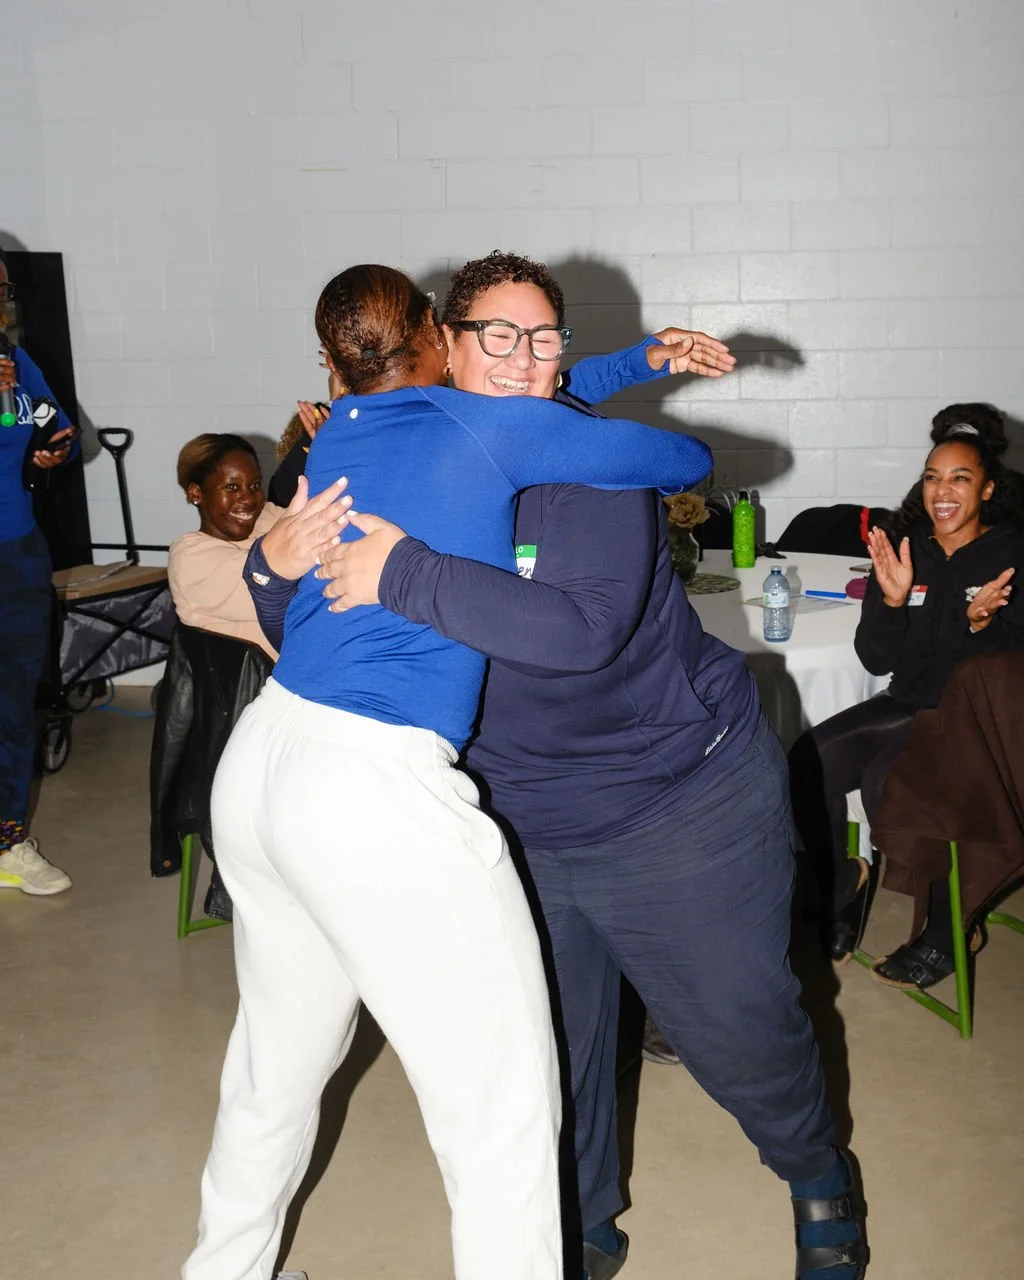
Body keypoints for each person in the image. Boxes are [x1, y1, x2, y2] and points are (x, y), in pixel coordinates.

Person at [295, 252, 866, 1280]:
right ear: (442, 346)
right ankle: (586, 1210)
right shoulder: (407, 444)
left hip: (673, 795)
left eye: (543, 338)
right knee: (551, 1044)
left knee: (738, 1025)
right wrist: (277, 557)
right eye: (496, 337)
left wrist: (401, 570)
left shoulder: (591, 467)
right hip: (514, 813)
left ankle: (817, 1169)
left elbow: (582, 631)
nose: (522, 361)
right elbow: (292, 599)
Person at [182, 263, 713, 1280]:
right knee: (503, 1108)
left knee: (270, 1077)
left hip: (263, 763)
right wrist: (612, 421)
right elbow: (676, 454)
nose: (517, 365)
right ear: (436, 333)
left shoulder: (337, 429)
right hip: (374, 790)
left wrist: (622, 365)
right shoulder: (487, 427)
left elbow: (512, 409)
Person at [789, 420, 1024, 987]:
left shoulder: (1011, 553)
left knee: (889, 786)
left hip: (978, 719)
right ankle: (842, 882)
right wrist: (892, 602)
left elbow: (1010, 671)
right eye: (932, 478)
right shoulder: (906, 551)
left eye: (960, 478)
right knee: (804, 761)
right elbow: (874, 659)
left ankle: (949, 933)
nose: (943, 492)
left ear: (987, 488)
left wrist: (980, 625)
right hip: (909, 701)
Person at [0, 249, 77, 897]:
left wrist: (54, 446)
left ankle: (7, 842)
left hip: (18, 549)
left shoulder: (15, 364)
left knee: (13, 706)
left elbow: (55, 423)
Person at [168, 434, 351, 659]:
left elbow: (332, 526)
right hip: (266, 686)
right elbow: (298, 592)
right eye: (232, 487)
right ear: (196, 493)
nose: (248, 499)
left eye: (254, 485)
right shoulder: (191, 558)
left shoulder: (265, 517)